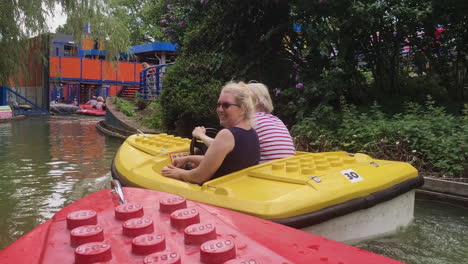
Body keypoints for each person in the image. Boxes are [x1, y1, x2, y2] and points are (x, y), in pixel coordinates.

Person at [161, 81, 260, 184]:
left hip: (215, 194)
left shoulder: (227, 135)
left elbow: (199, 176)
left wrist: (178, 172)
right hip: (236, 189)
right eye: (218, 105)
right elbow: (222, 163)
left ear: (242, 109)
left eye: (226, 105)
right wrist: (188, 158)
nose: (220, 109)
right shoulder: (252, 133)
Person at [192, 82, 295, 163]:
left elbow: (219, 147)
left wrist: (201, 135)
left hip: (263, 173)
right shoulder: (276, 120)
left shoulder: (251, 121)